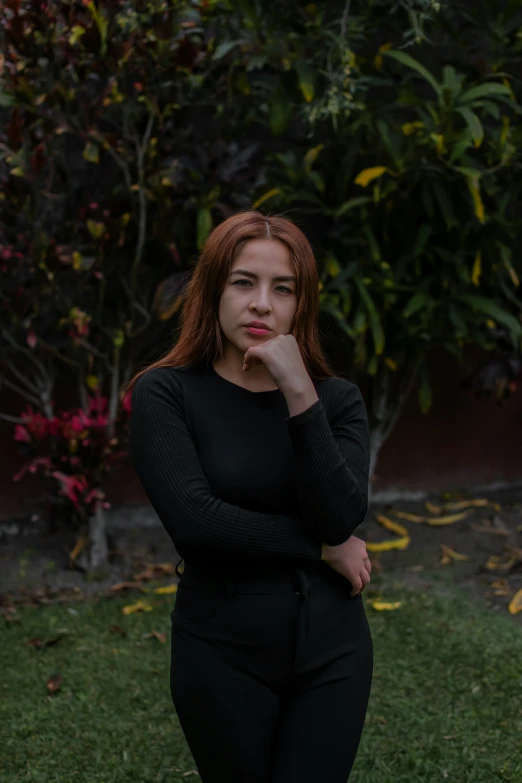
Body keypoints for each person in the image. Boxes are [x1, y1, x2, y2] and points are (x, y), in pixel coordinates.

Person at [125, 209, 373, 783]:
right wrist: (319, 551)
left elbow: (340, 516)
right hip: (220, 648)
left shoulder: (336, 402)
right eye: (244, 282)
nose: (262, 303)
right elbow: (197, 523)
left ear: (299, 305)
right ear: (212, 291)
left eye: (282, 289)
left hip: (332, 649)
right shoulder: (167, 393)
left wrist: (299, 393)